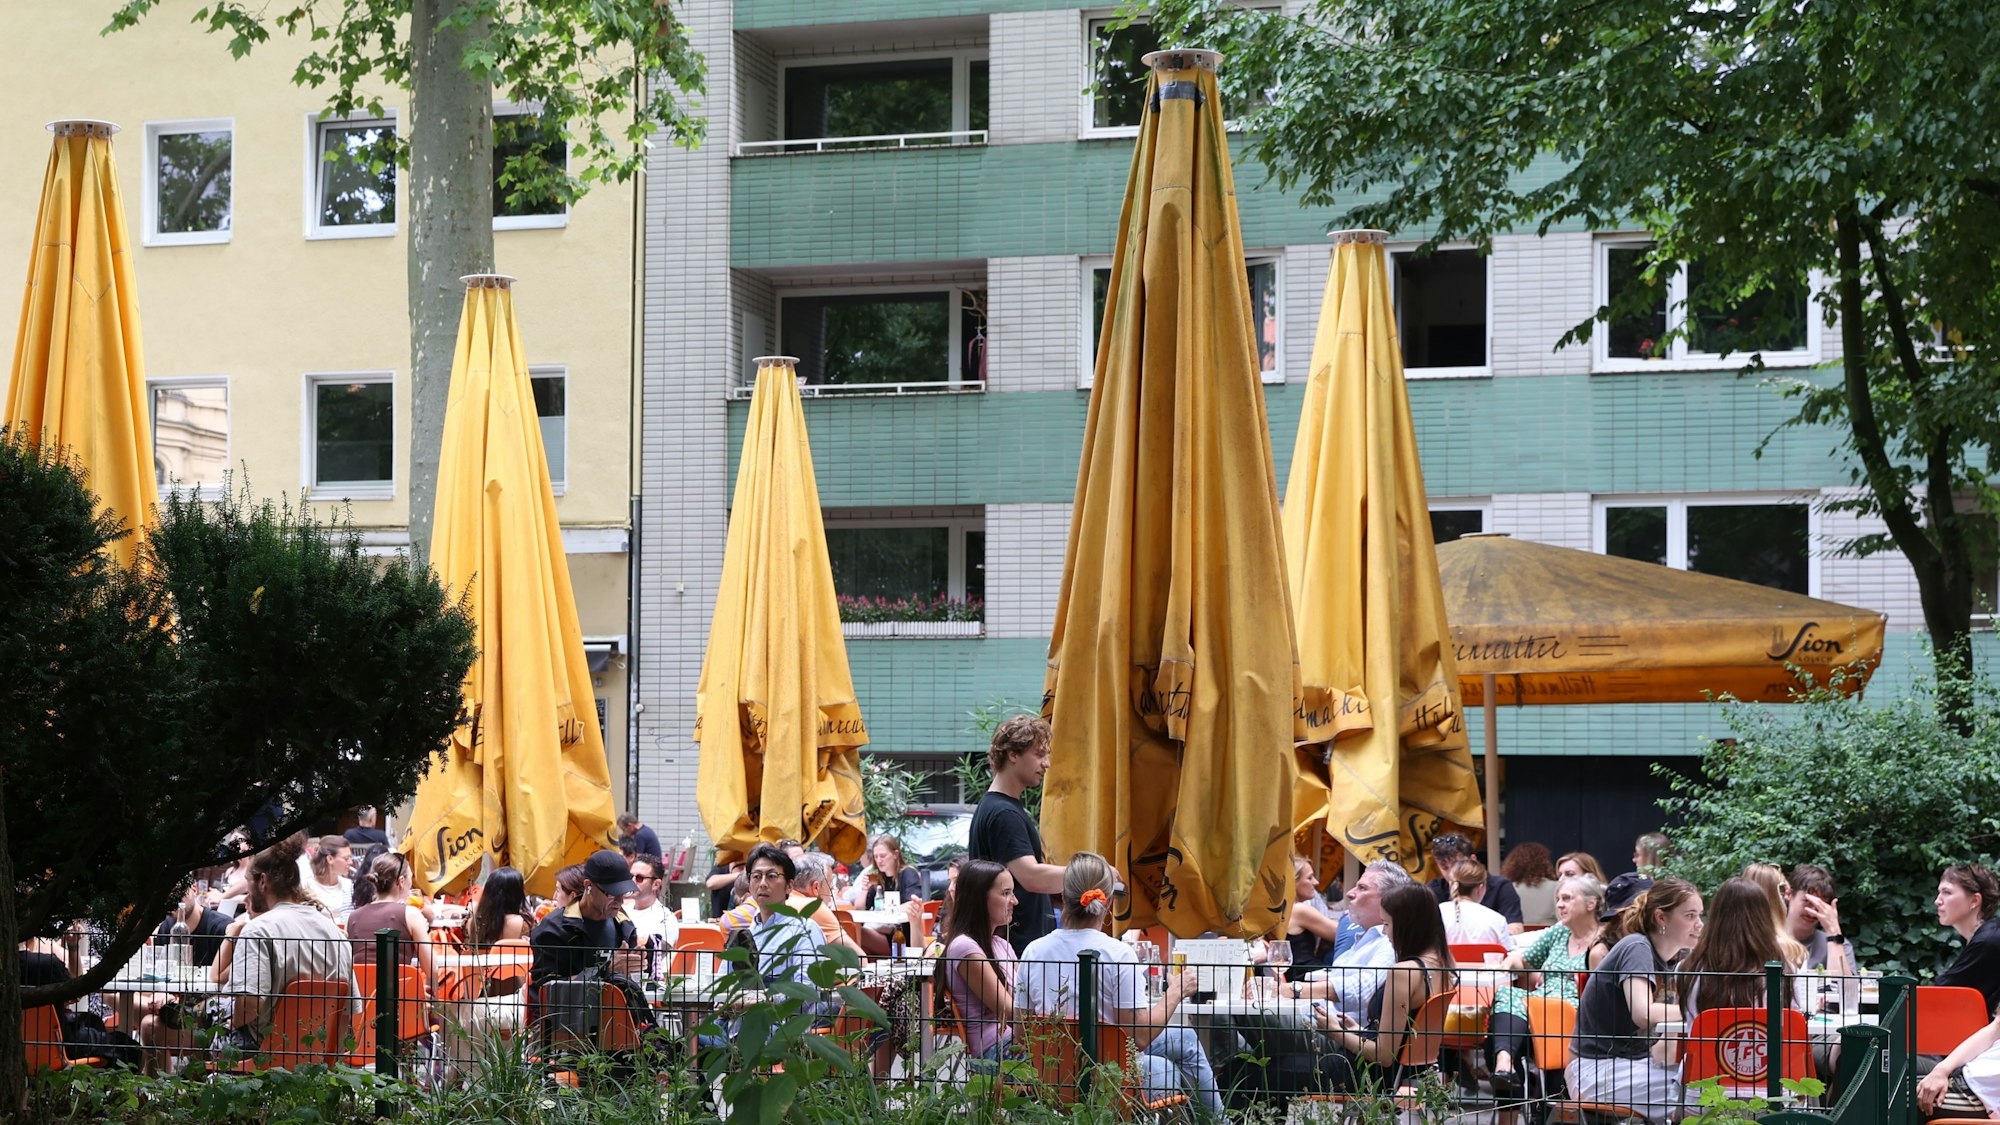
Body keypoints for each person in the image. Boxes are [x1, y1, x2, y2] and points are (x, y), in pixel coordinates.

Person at [1015, 851, 1221, 1115]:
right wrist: (1176, 992)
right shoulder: (1118, 954)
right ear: (1109, 901)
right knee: (1167, 1066)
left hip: (1053, 1076)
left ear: (1062, 898)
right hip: (1110, 1077)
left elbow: (1022, 1037)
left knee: (1184, 1038)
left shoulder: (1033, 951)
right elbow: (1140, 1037)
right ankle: (1218, 1121)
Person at [1568, 877, 1703, 1123]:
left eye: (1700, 915)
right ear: (1661, 918)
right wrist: (1697, 1010)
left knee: (1700, 1087)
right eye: (1690, 916)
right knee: (1698, 1097)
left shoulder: (1672, 959)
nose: (1699, 925)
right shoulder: (1637, 947)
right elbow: (1643, 1013)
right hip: (1597, 1071)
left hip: (1630, 1066)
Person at [214, 836, 359, 1056]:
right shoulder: (334, 933)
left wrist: (228, 1024)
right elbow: (347, 1011)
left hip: (266, 1053)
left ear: (263, 881)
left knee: (203, 1030)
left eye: (248, 882)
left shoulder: (259, 930)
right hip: (319, 1056)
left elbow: (250, 1004)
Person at [1313, 885, 1460, 1096]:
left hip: (1369, 1075)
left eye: (1386, 924)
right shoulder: (1445, 963)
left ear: (1406, 926)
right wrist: (1359, 1031)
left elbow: (1384, 1055)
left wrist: (1336, 1032)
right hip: (1413, 1072)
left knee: (1268, 1070)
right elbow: (1404, 1038)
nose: (1384, 932)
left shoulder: (1403, 973)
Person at [1489, 872, 1607, 1097]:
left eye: (1567, 898)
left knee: (1517, 1019)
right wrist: (1507, 964)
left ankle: (1521, 1089)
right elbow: (1521, 960)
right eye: (1558, 900)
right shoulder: (1560, 931)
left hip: (1573, 1013)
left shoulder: (1602, 942)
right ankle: (1504, 1064)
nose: (1560, 905)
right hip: (1539, 1007)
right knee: (1506, 993)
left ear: (1591, 903)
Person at [969, 715, 1067, 948]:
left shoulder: (996, 807)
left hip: (1012, 945)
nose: (1047, 763)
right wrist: (1093, 874)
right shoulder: (1004, 813)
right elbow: (1031, 877)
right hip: (1017, 948)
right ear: (1013, 754)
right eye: (1039, 754)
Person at [1294, 861, 1421, 1023]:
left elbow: (1360, 991)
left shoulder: (1390, 942)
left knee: (1258, 1017)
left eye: (1362, 888)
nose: (1349, 893)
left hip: (1341, 1032)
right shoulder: (1364, 938)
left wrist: (1295, 989)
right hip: (1321, 1018)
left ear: (1388, 899)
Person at [935, 858, 1020, 1062]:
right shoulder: (965, 947)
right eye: (1006, 893)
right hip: (995, 1050)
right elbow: (1008, 1009)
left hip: (1014, 1039)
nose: (1015, 901)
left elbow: (1023, 999)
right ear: (980, 899)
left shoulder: (1001, 944)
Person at [1680, 877, 1800, 1018]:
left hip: (1707, 1041)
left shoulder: (1688, 969)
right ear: (1764, 921)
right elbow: (1794, 1026)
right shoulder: (1786, 972)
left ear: (1716, 918)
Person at [529, 849, 643, 985]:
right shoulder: (553, 929)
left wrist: (636, 965)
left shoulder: (624, 926)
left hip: (614, 1005)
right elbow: (547, 988)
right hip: (569, 1006)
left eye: (624, 893)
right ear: (588, 886)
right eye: (611, 894)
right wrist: (606, 971)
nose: (620, 901)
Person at [347, 852, 436, 991]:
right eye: (410, 878)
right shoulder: (411, 914)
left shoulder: (352, 917)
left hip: (360, 1001)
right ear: (401, 881)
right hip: (400, 1000)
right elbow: (432, 968)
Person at [1935, 863, 2000, 1016]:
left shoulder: (1988, 941)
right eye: (1939, 893)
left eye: (1947, 892)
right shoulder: (1986, 936)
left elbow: (1939, 993)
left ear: (1974, 901)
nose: (1937, 901)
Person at [1423, 833, 1524, 932]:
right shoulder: (1434, 889)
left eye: (1457, 865)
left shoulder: (1501, 886)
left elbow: (1516, 927)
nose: (1451, 873)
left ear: (1473, 860)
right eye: (1444, 868)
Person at [1917, 1000, 2000, 1119]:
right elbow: (1996, 1028)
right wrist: (1941, 1071)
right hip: (1966, 1071)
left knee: (1902, 1098)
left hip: (1983, 1100)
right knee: (1892, 1063)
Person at [789, 851, 863, 955]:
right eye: (830, 885)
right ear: (816, 887)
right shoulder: (813, 907)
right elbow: (859, 958)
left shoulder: (774, 902)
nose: (833, 890)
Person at [1785, 864, 1854, 974]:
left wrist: (1833, 931)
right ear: (1789, 894)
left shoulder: (1839, 944)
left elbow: (1846, 989)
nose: (1812, 912)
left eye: (1820, 905)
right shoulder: (1765, 940)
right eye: (1807, 901)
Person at [1740, 862, 1809, 969]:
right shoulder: (1791, 951)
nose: (1787, 898)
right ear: (1775, 898)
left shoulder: (1722, 946)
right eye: (1782, 891)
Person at [1284, 856, 1344, 976]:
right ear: (1293, 882)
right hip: (1306, 976)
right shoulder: (1299, 910)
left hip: (1294, 975)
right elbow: (1342, 933)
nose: (1316, 882)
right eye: (1309, 878)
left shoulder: (1285, 910)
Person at [1441, 858, 1514, 946]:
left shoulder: (1434, 914)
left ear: (1451, 884)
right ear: (1480, 888)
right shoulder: (1497, 920)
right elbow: (1507, 955)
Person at [465, 866, 535, 947]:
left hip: (481, 959)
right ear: (518, 894)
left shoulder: (472, 921)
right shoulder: (523, 922)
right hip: (514, 959)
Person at [625, 852, 682, 950]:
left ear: (656, 884)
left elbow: (656, 955)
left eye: (639, 878)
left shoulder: (666, 919)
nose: (632, 881)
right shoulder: (622, 911)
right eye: (630, 876)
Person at [1503, 843, 1561, 927]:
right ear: (1545, 862)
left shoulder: (1507, 889)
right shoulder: (1558, 887)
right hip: (1550, 936)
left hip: (1517, 937)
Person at [303, 835, 355, 920]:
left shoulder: (348, 885)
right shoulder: (308, 887)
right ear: (330, 859)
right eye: (346, 858)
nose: (351, 862)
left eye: (350, 857)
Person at [705, 854, 743, 918]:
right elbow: (710, 883)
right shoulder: (722, 866)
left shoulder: (752, 868)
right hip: (718, 921)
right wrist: (739, 875)